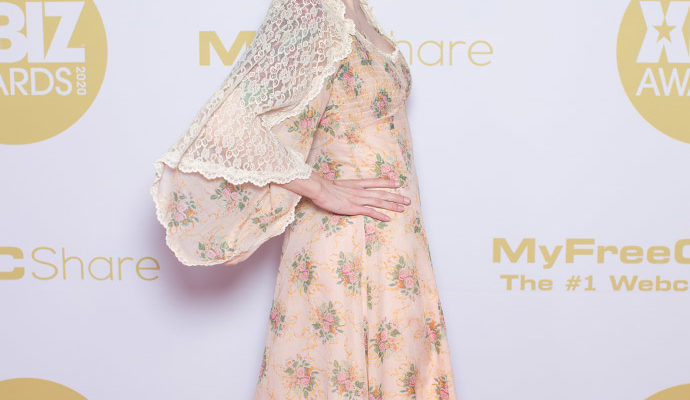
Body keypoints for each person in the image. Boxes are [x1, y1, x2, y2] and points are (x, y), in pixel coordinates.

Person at [150, 0, 458, 398]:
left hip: (393, 244)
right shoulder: (308, 9)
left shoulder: (356, 9)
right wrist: (322, 188)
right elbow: (228, 124)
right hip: (348, 246)